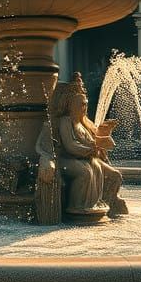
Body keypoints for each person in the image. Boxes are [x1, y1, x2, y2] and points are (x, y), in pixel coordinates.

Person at [52, 74, 125, 216]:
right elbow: (70, 145)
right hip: (68, 159)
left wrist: (105, 130)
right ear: (70, 105)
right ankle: (77, 206)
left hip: (87, 157)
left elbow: (95, 139)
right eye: (81, 104)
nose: (84, 107)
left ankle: (103, 202)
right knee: (86, 172)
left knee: (114, 175)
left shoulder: (84, 122)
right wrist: (91, 149)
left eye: (86, 104)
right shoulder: (66, 121)